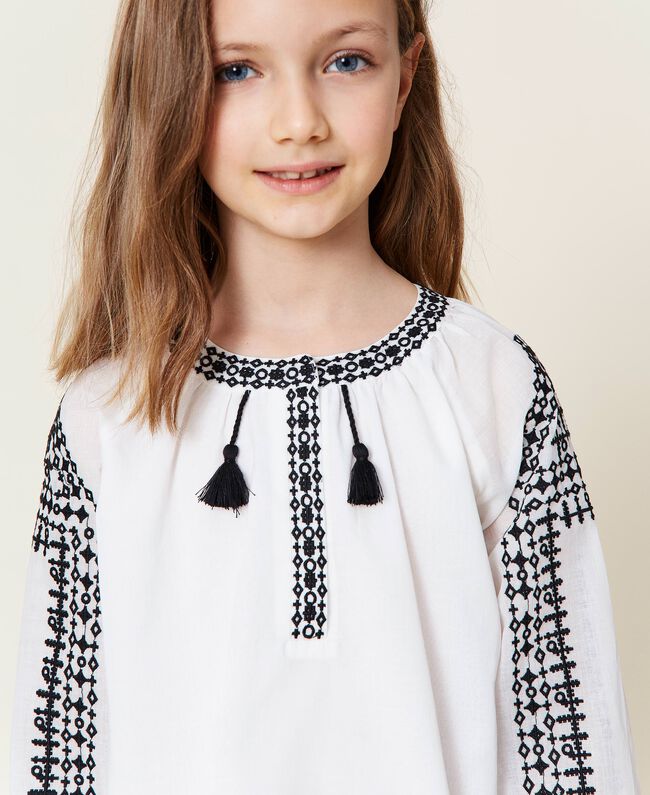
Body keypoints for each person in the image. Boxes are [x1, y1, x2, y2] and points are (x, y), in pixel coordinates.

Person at [10, 0, 640, 793]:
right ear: (168, 87)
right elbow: (58, 758)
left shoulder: (490, 386)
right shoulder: (109, 417)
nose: (300, 121)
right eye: (237, 70)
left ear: (404, 79)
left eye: (346, 62)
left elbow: (572, 744)